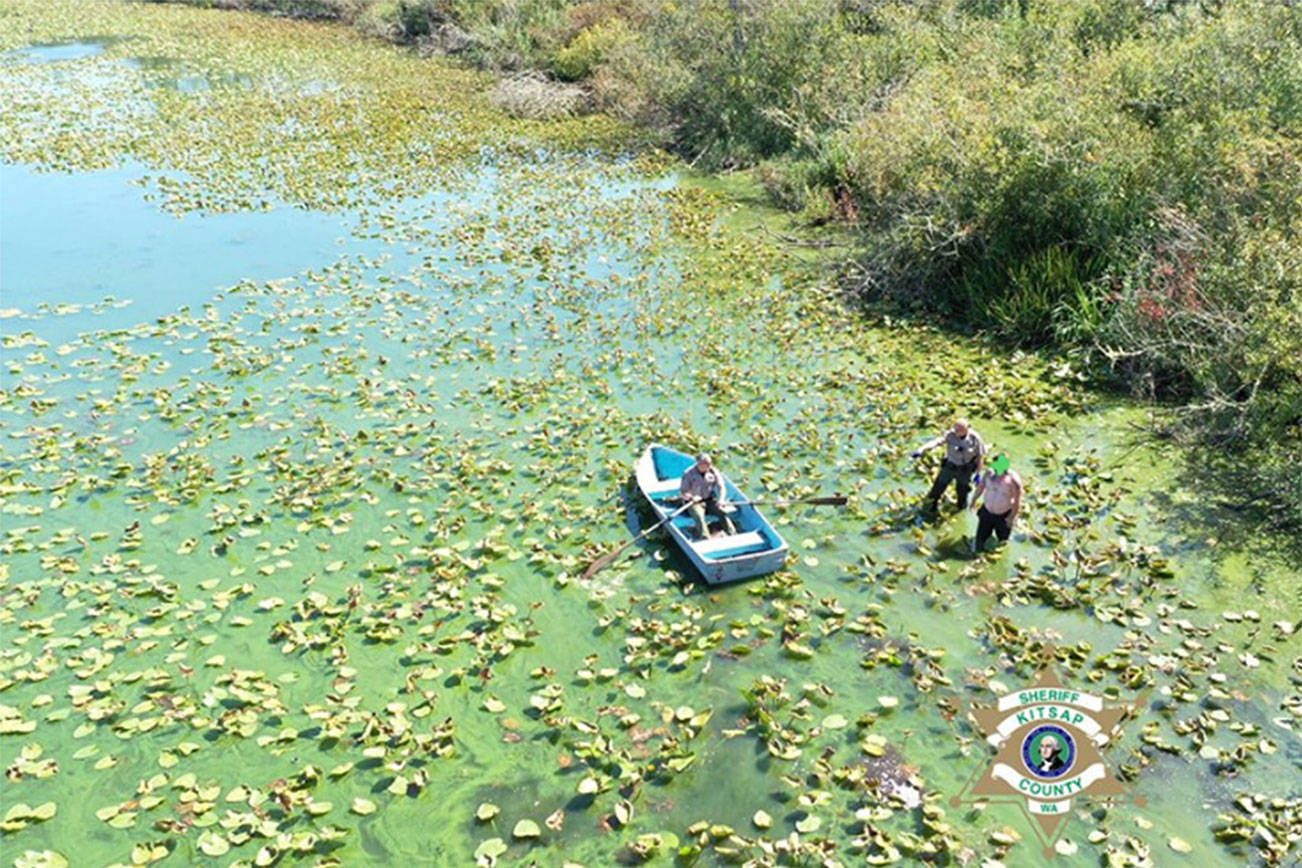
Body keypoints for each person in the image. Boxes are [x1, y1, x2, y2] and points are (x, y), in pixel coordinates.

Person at [911, 418, 985, 513]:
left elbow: (980, 456)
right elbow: (937, 442)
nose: (956, 432)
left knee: (962, 492)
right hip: (950, 466)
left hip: (965, 469)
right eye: (955, 429)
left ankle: (960, 510)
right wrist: (921, 449)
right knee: (937, 488)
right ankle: (931, 508)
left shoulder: (975, 439)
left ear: (967, 429)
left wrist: (978, 473)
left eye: (959, 430)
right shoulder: (951, 435)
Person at [970, 453, 1022, 553]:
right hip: (987, 512)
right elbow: (980, 488)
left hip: (1003, 516)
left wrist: (1012, 518)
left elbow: (1017, 501)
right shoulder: (989, 474)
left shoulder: (1013, 481)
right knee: (980, 540)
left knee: (1002, 542)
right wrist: (973, 501)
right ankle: (978, 553)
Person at [679, 453, 736, 540]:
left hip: (709, 500)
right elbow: (683, 492)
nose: (709, 466)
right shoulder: (688, 473)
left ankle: (732, 533)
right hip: (694, 503)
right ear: (699, 464)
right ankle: (705, 538)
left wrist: (721, 500)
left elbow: (721, 487)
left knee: (722, 512)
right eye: (706, 464)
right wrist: (691, 497)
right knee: (699, 517)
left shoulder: (713, 471)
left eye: (709, 464)